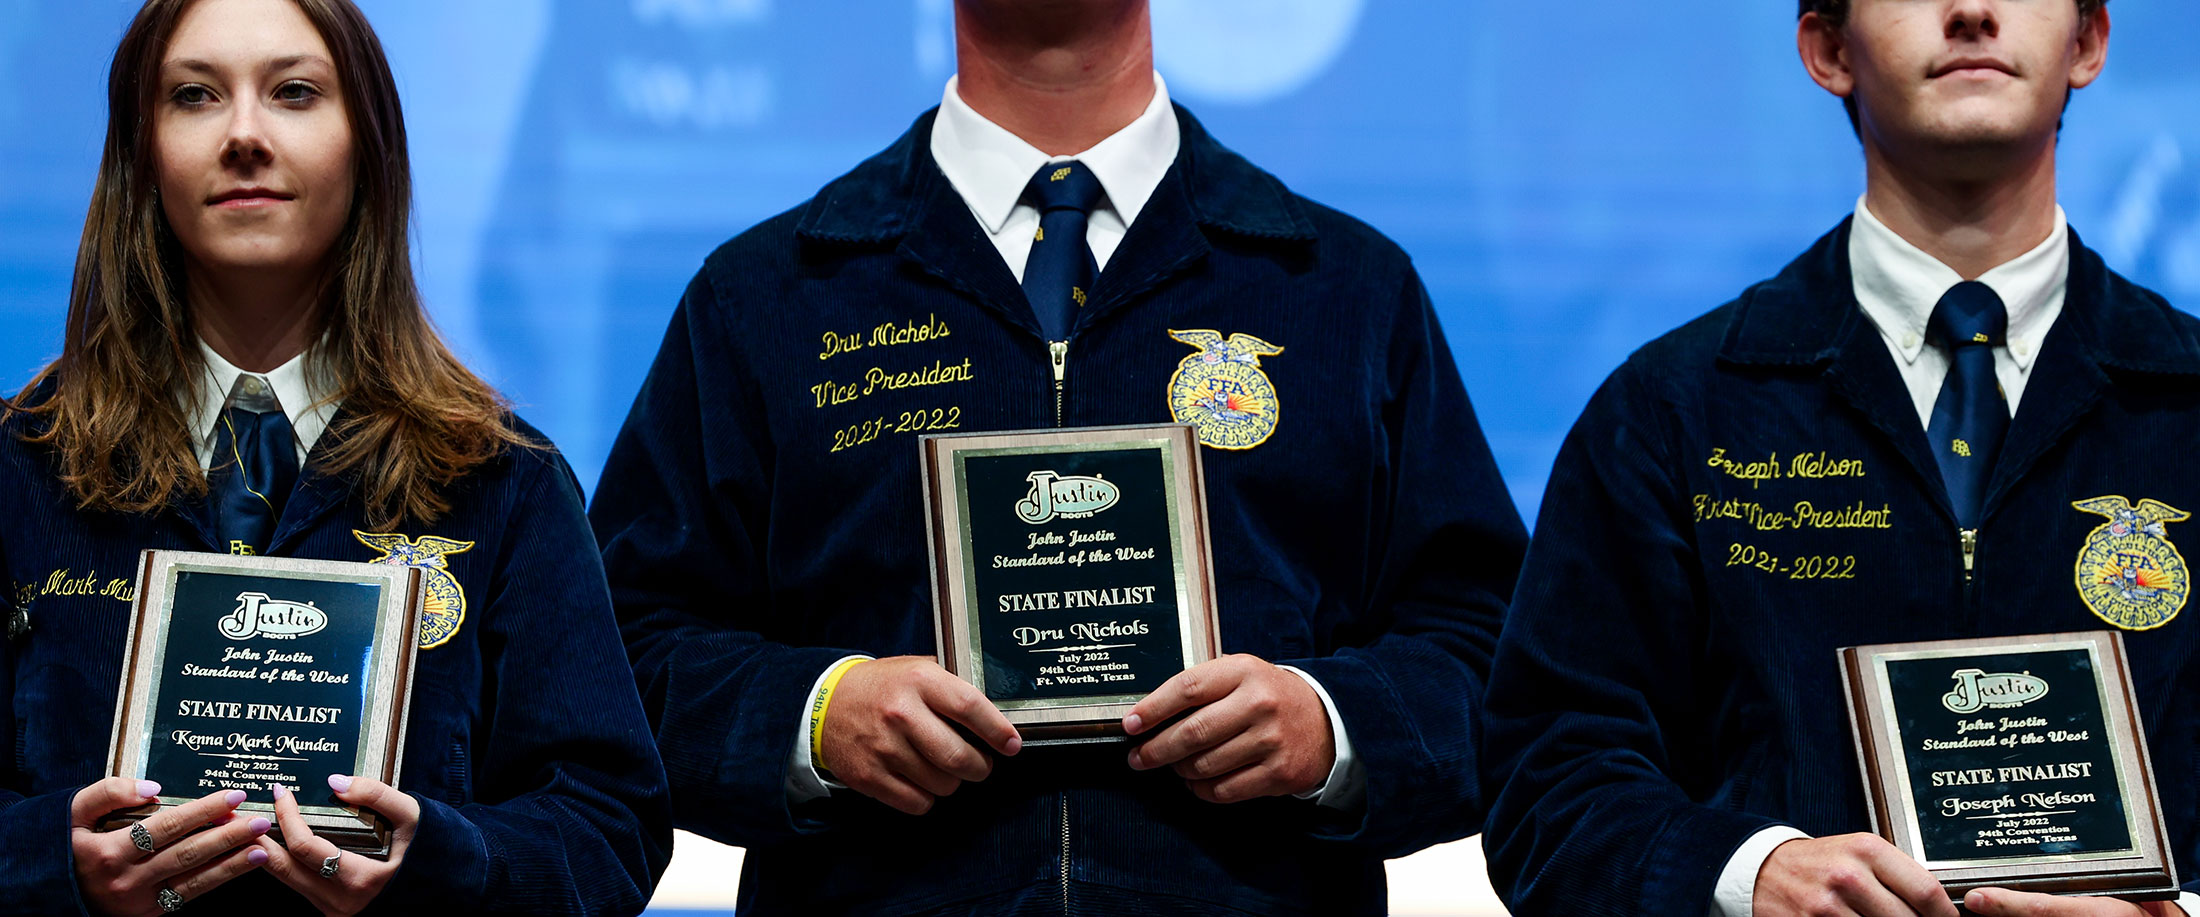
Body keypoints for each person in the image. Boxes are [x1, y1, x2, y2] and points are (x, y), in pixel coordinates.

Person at [587, 0, 1526, 913]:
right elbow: (614, 653)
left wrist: (1332, 725)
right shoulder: (768, 297)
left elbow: (1496, 651)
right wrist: (815, 717)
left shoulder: (1344, 290)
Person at [1482, 1, 2200, 915]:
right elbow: (1548, 779)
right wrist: (1747, 873)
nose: (1973, 11)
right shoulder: (1674, 410)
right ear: (1828, 48)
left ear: (2089, 41)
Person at [0, 0, 670, 913]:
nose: (244, 134)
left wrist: (442, 862)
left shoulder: (503, 479)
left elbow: (612, 832)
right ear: (141, 155)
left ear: (368, 147)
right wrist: (49, 861)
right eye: (195, 95)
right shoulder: (18, 466)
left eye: (295, 92)